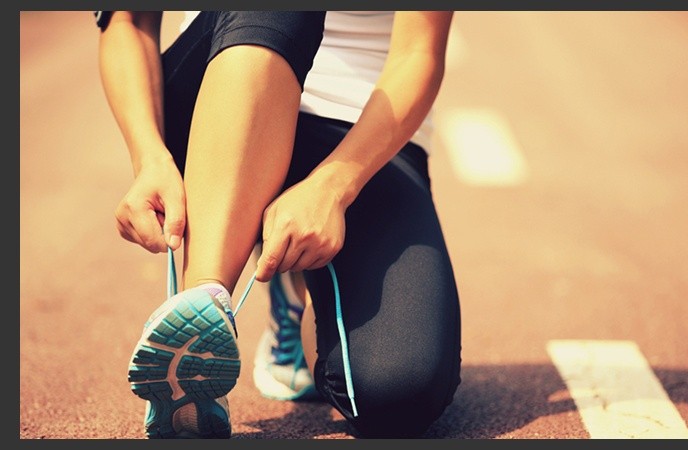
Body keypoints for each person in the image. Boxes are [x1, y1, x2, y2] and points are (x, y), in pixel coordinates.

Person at [95, 10, 461, 439]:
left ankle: (296, 302)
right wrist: (149, 157)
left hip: (362, 134)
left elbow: (418, 53)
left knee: (397, 394)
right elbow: (127, 21)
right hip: (223, 93)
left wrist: (332, 187)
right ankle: (204, 308)